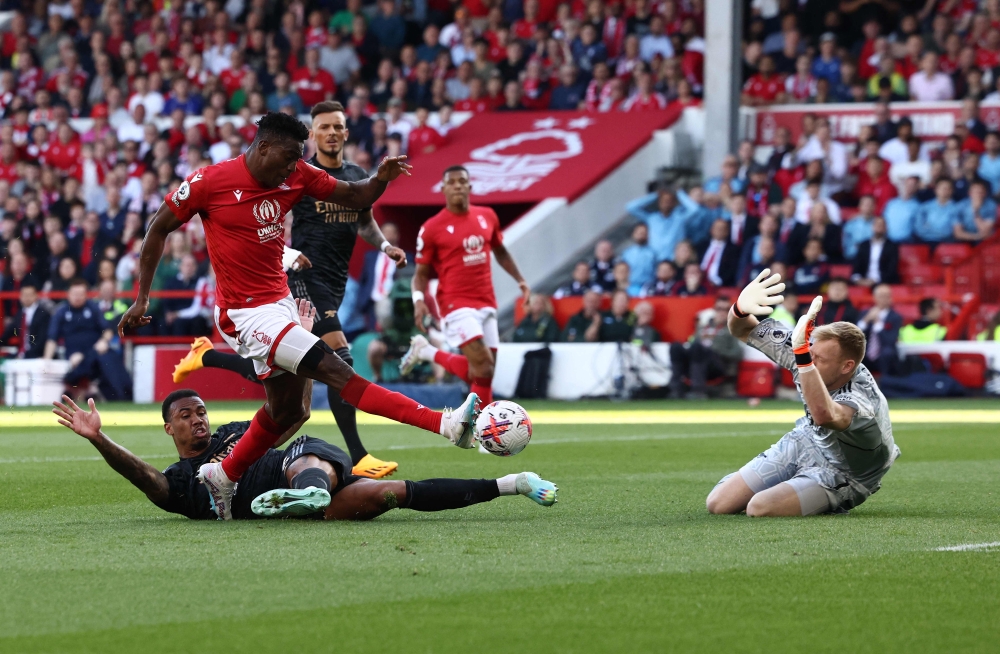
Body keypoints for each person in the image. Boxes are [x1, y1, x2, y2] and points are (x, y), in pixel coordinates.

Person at [118, 112, 479, 521]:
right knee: (339, 371)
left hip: (281, 302)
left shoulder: (298, 174)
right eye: (289, 157)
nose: (295, 167)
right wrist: (142, 298)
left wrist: (381, 179)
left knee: (290, 411)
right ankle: (446, 424)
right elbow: (158, 228)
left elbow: (357, 196)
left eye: (298, 159)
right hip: (244, 313)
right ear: (264, 147)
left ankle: (224, 476)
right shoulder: (209, 182)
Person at [51, 390, 557, 522]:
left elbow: (290, 415)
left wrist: (301, 352)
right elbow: (143, 478)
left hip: (302, 458)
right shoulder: (182, 483)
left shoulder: (233, 432)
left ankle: (308, 491)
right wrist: (99, 439)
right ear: (168, 427)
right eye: (185, 415)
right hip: (313, 502)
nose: (197, 418)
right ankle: (513, 481)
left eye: (200, 410)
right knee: (390, 494)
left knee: (299, 456)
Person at [706, 270, 899, 516]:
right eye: (810, 353)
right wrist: (740, 309)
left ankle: (830, 498)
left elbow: (825, 416)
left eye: (819, 359)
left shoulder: (861, 396)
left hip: (847, 473)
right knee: (718, 504)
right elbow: (742, 329)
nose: (810, 358)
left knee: (759, 508)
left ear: (846, 366)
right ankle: (789, 485)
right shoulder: (806, 349)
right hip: (807, 440)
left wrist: (802, 358)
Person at [401, 165, 530, 409]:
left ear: (470, 187)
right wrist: (419, 300)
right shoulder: (432, 228)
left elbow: (500, 251)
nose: (458, 185)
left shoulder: (487, 216)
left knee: (483, 372)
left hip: (486, 301)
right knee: (484, 365)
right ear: (444, 189)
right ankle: (485, 433)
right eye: (452, 182)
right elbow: (421, 273)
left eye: (462, 181)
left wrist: (520, 280)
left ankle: (427, 352)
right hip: (455, 303)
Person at [46, 278, 132, 401]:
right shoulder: (61, 312)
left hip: (95, 350)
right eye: (75, 294)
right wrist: (46, 361)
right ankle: (118, 395)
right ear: (68, 295)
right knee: (99, 359)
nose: (78, 297)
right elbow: (52, 339)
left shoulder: (93, 308)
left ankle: (124, 393)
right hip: (74, 354)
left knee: (109, 357)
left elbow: (107, 331)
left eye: (81, 294)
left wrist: (103, 341)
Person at [668, 296, 742, 399]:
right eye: (719, 309)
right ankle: (675, 389)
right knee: (676, 347)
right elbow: (692, 344)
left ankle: (698, 391)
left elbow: (738, 353)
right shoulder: (702, 327)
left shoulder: (731, 329)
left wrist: (718, 351)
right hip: (696, 360)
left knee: (699, 348)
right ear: (714, 309)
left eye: (726, 309)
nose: (722, 312)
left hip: (717, 364)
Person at [857, 283, 903, 376]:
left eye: (886, 296)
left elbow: (890, 340)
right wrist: (866, 320)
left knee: (888, 352)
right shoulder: (865, 313)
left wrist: (878, 324)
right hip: (866, 352)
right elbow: (855, 334)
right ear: (874, 297)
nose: (883, 299)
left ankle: (885, 383)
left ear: (890, 298)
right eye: (880, 296)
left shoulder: (895, 317)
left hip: (884, 352)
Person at [0, 282, 50, 358]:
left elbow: (41, 341)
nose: (26, 298)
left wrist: (24, 355)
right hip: (21, 354)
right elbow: (8, 333)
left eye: (29, 295)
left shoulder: (43, 314)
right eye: (24, 295)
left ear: (36, 296)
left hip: (37, 356)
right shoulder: (20, 314)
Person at [851, 216, 900, 287]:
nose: (879, 227)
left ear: (886, 228)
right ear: (872, 227)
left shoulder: (892, 246)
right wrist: (859, 279)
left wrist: (875, 281)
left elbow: (891, 269)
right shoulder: (863, 245)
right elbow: (857, 265)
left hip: (884, 282)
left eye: (881, 225)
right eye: (877, 224)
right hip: (863, 281)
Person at [620, 223, 656, 295]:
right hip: (630, 287)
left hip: (648, 287)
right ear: (633, 234)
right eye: (638, 232)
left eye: (643, 233)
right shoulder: (626, 253)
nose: (641, 235)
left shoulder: (653, 253)